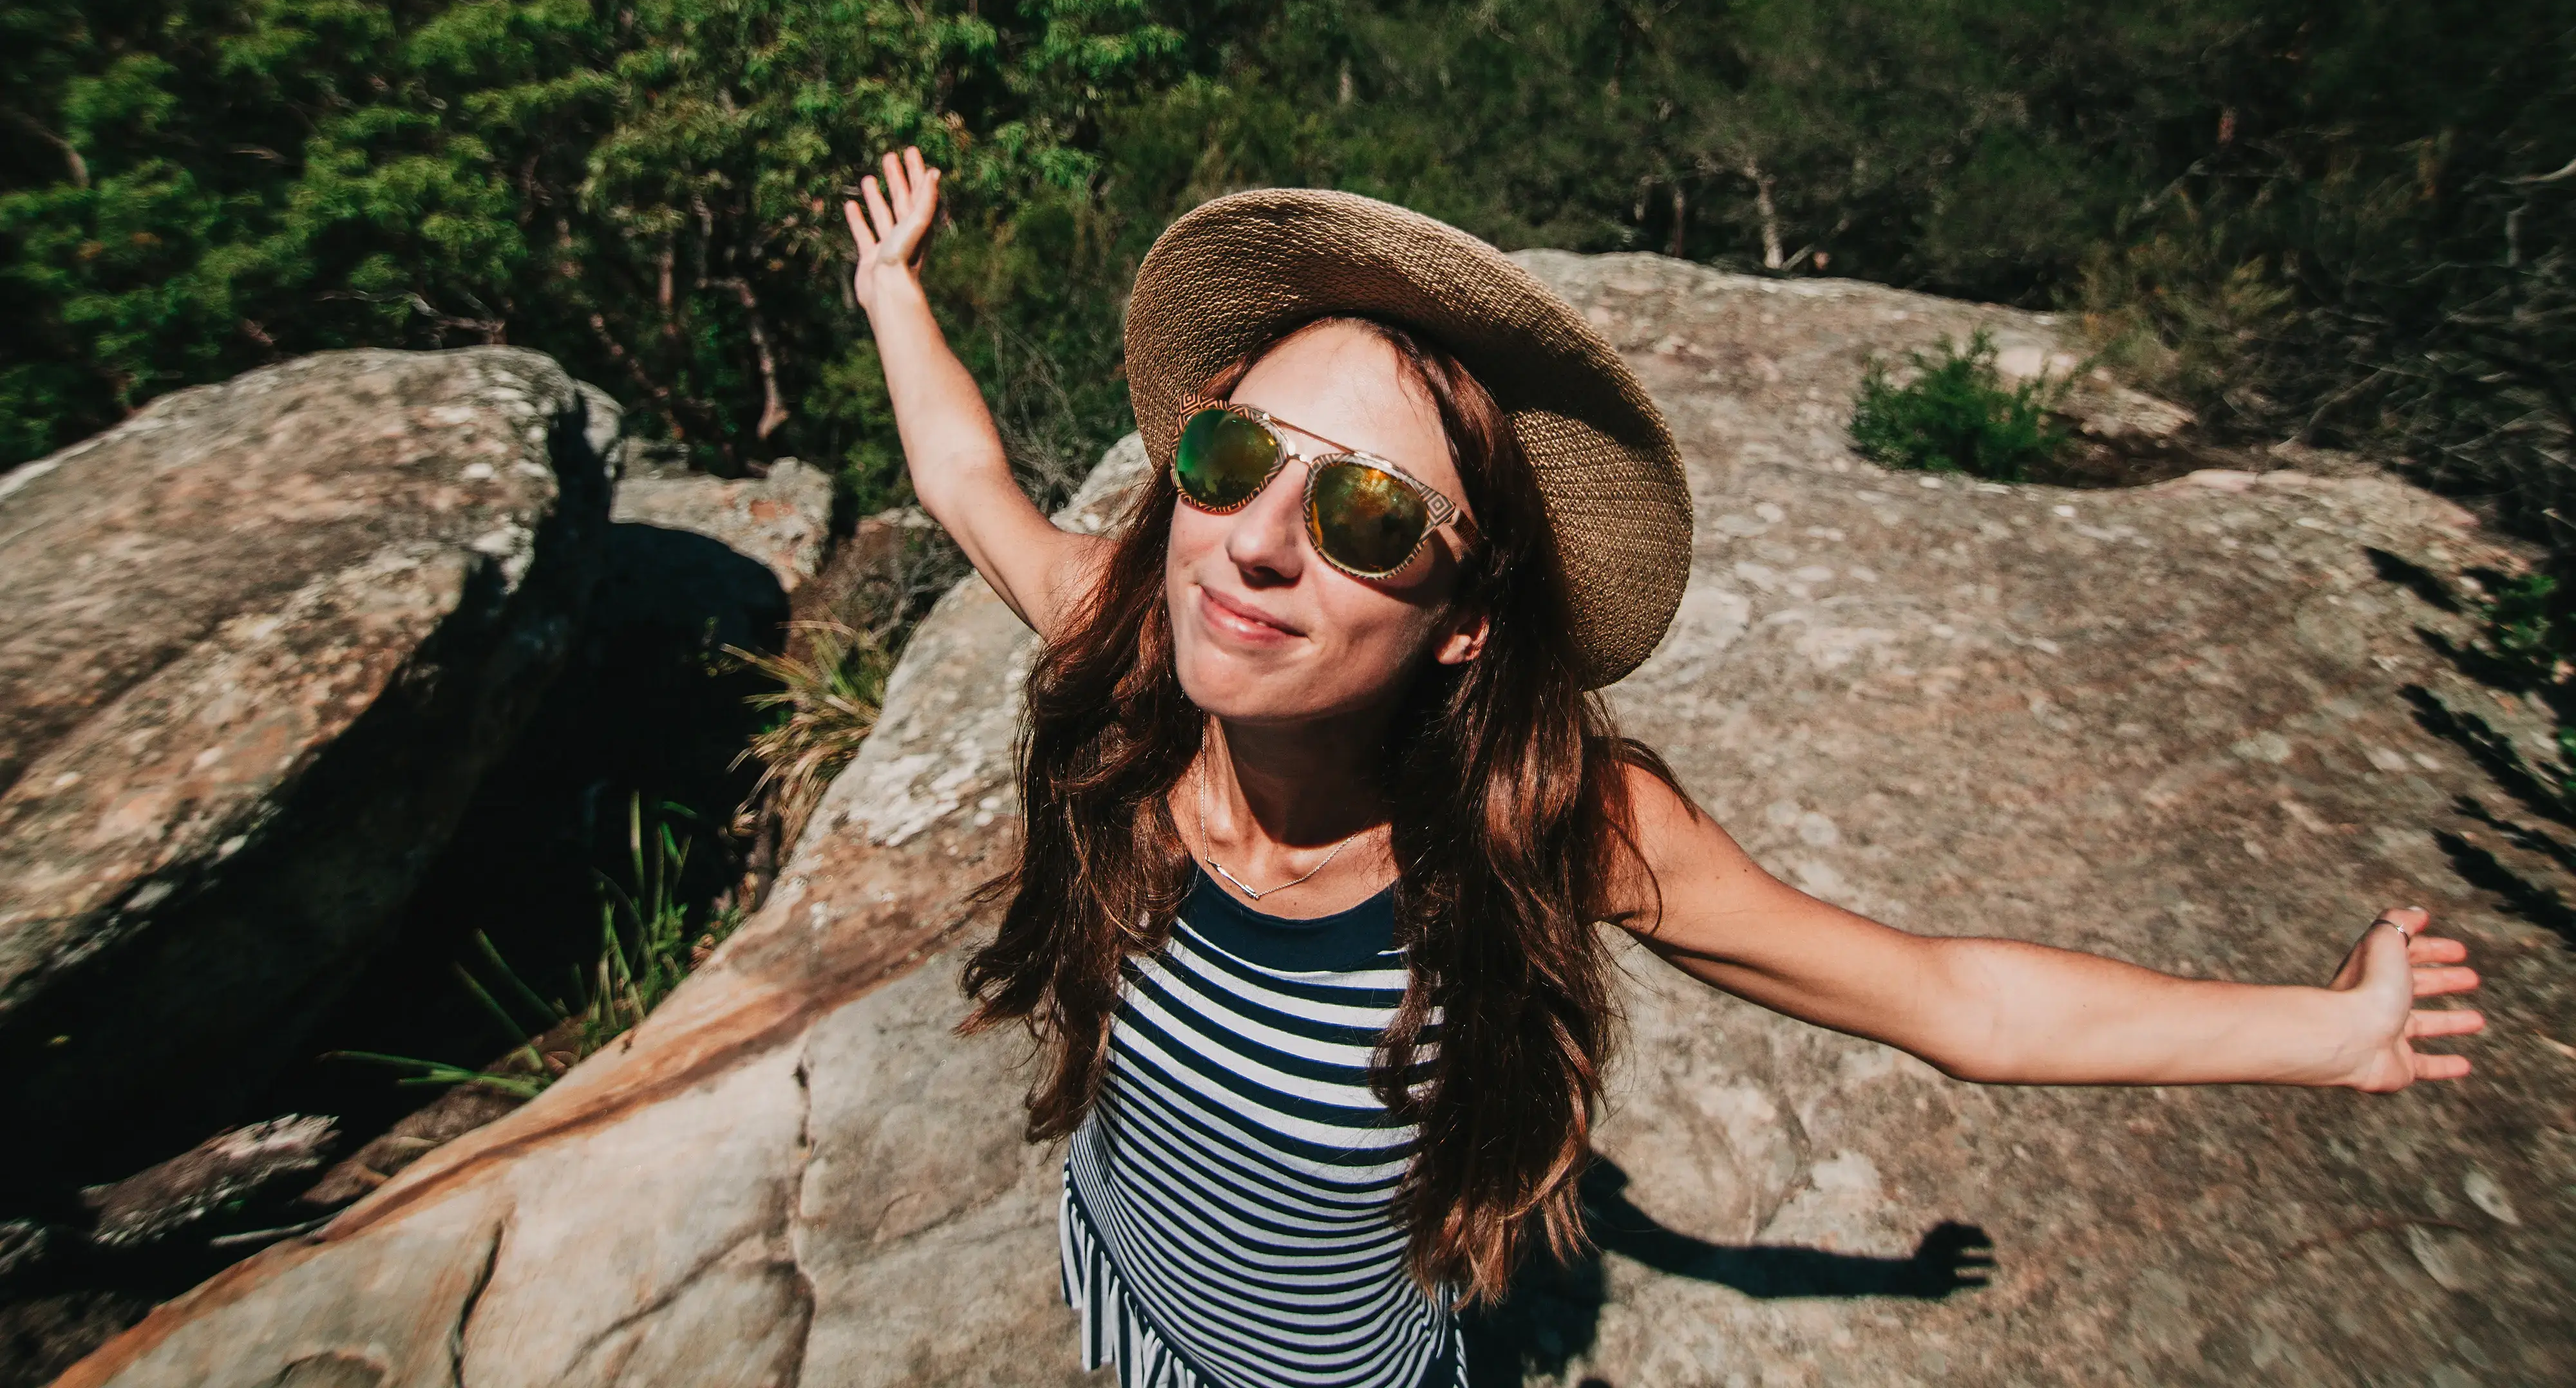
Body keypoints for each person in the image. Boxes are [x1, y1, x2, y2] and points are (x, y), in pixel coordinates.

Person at [842, 148, 2483, 1388]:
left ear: (1466, 619)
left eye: (1363, 517)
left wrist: (2331, 1031)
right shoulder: (1126, 658)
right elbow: (968, 478)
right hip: (1124, 1288)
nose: (1254, 542)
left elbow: (1950, 1003)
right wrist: (892, 287)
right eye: (1229, 453)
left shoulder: (1548, 823)